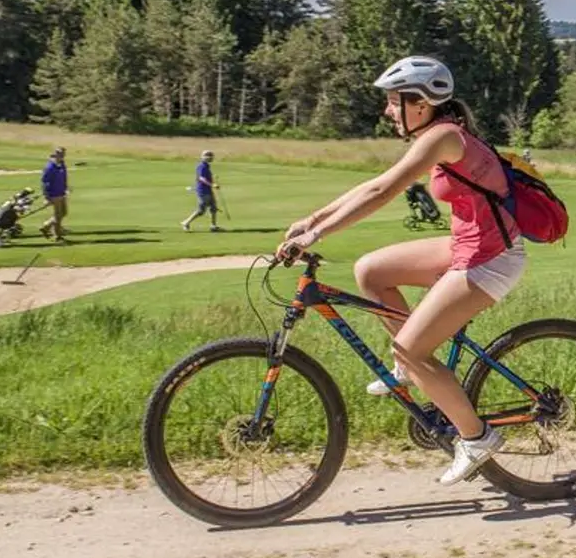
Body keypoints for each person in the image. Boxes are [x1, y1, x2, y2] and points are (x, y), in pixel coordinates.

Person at [277, 55, 523, 485]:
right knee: (371, 271)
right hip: (465, 246)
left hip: (491, 259)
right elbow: (374, 183)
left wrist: (315, 236)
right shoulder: (438, 133)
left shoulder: (444, 136)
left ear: (421, 104)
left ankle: (476, 436)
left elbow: (382, 191)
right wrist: (313, 219)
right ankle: (412, 369)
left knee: (409, 348)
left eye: (395, 101)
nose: (388, 110)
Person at [182, 150, 222, 232]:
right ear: (203, 157)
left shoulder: (206, 166)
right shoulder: (202, 166)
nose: (210, 158)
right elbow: (201, 178)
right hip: (203, 191)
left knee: (213, 208)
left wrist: (213, 178)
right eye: (208, 156)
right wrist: (212, 185)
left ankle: (213, 226)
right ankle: (186, 222)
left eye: (211, 156)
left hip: (208, 190)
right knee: (201, 210)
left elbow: (205, 177)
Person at [40, 147, 69, 241]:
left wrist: (66, 187)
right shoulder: (50, 167)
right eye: (60, 154)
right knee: (58, 215)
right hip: (54, 194)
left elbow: (64, 177)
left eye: (63, 154)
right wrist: (46, 195)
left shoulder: (62, 165)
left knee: (64, 212)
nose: (62, 156)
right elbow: (44, 182)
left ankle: (46, 226)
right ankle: (57, 235)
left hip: (62, 192)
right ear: (55, 154)